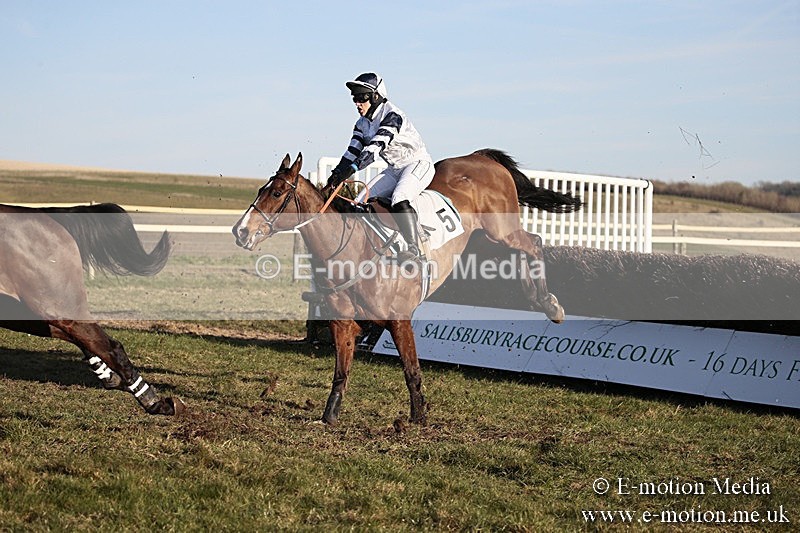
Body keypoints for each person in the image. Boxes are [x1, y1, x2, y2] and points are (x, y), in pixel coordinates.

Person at [327, 72, 435, 264]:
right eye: (355, 98)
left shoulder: (392, 115)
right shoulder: (361, 124)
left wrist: (351, 169)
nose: (357, 103)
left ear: (375, 97)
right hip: (394, 169)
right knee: (358, 203)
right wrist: (336, 174)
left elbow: (374, 149)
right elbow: (352, 152)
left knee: (399, 198)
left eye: (361, 98)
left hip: (417, 164)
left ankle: (414, 249)